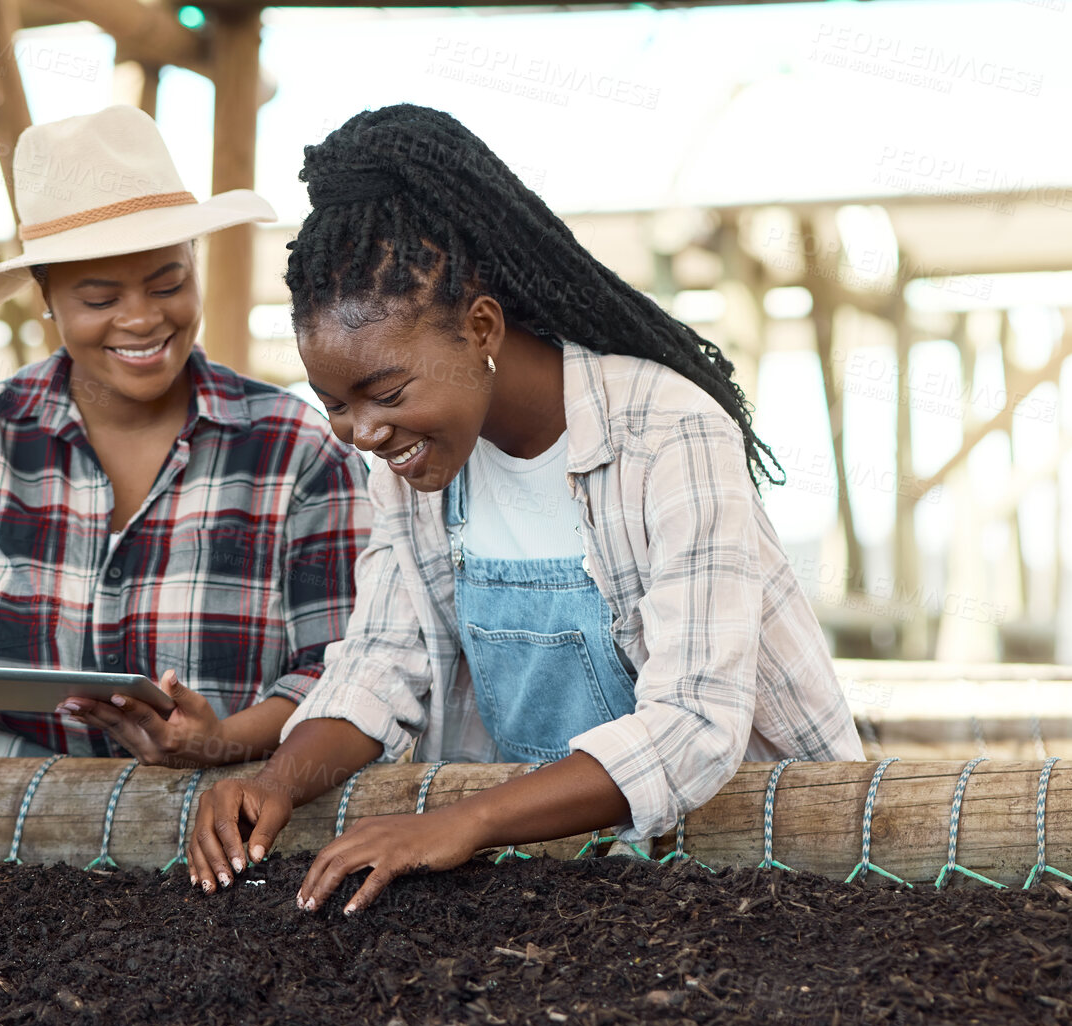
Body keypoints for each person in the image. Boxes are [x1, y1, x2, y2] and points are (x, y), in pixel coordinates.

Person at [187, 105, 862, 906]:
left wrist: (460, 822)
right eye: (335, 403)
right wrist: (277, 780)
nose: (362, 432)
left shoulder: (666, 433)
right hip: (561, 876)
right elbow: (381, 662)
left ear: (480, 327)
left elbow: (693, 720)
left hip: (761, 868)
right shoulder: (413, 470)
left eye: (386, 392)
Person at [0, 105, 370, 766]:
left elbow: (342, 672)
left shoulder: (299, 452)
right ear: (44, 295)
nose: (142, 319)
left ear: (193, 260)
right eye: (99, 299)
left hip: (209, 837)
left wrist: (221, 740)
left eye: (169, 283)